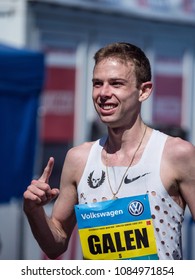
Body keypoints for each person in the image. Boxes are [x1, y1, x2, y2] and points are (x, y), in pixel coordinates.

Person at [23, 42, 195, 260]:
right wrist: (34, 211)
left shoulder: (176, 154)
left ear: (144, 91)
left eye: (116, 84)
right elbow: (56, 244)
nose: (103, 93)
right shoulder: (79, 158)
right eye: (97, 83)